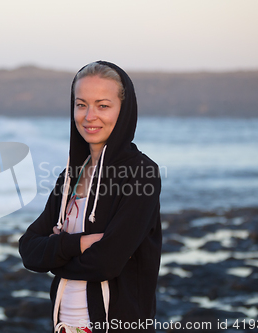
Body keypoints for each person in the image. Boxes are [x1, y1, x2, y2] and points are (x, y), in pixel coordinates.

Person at [19, 60, 162, 333]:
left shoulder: (141, 173)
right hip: (63, 325)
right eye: (81, 104)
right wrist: (80, 243)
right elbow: (28, 249)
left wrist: (55, 254)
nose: (89, 116)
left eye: (103, 105)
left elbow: (106, 263)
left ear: (124, 109)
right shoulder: (70, 176)